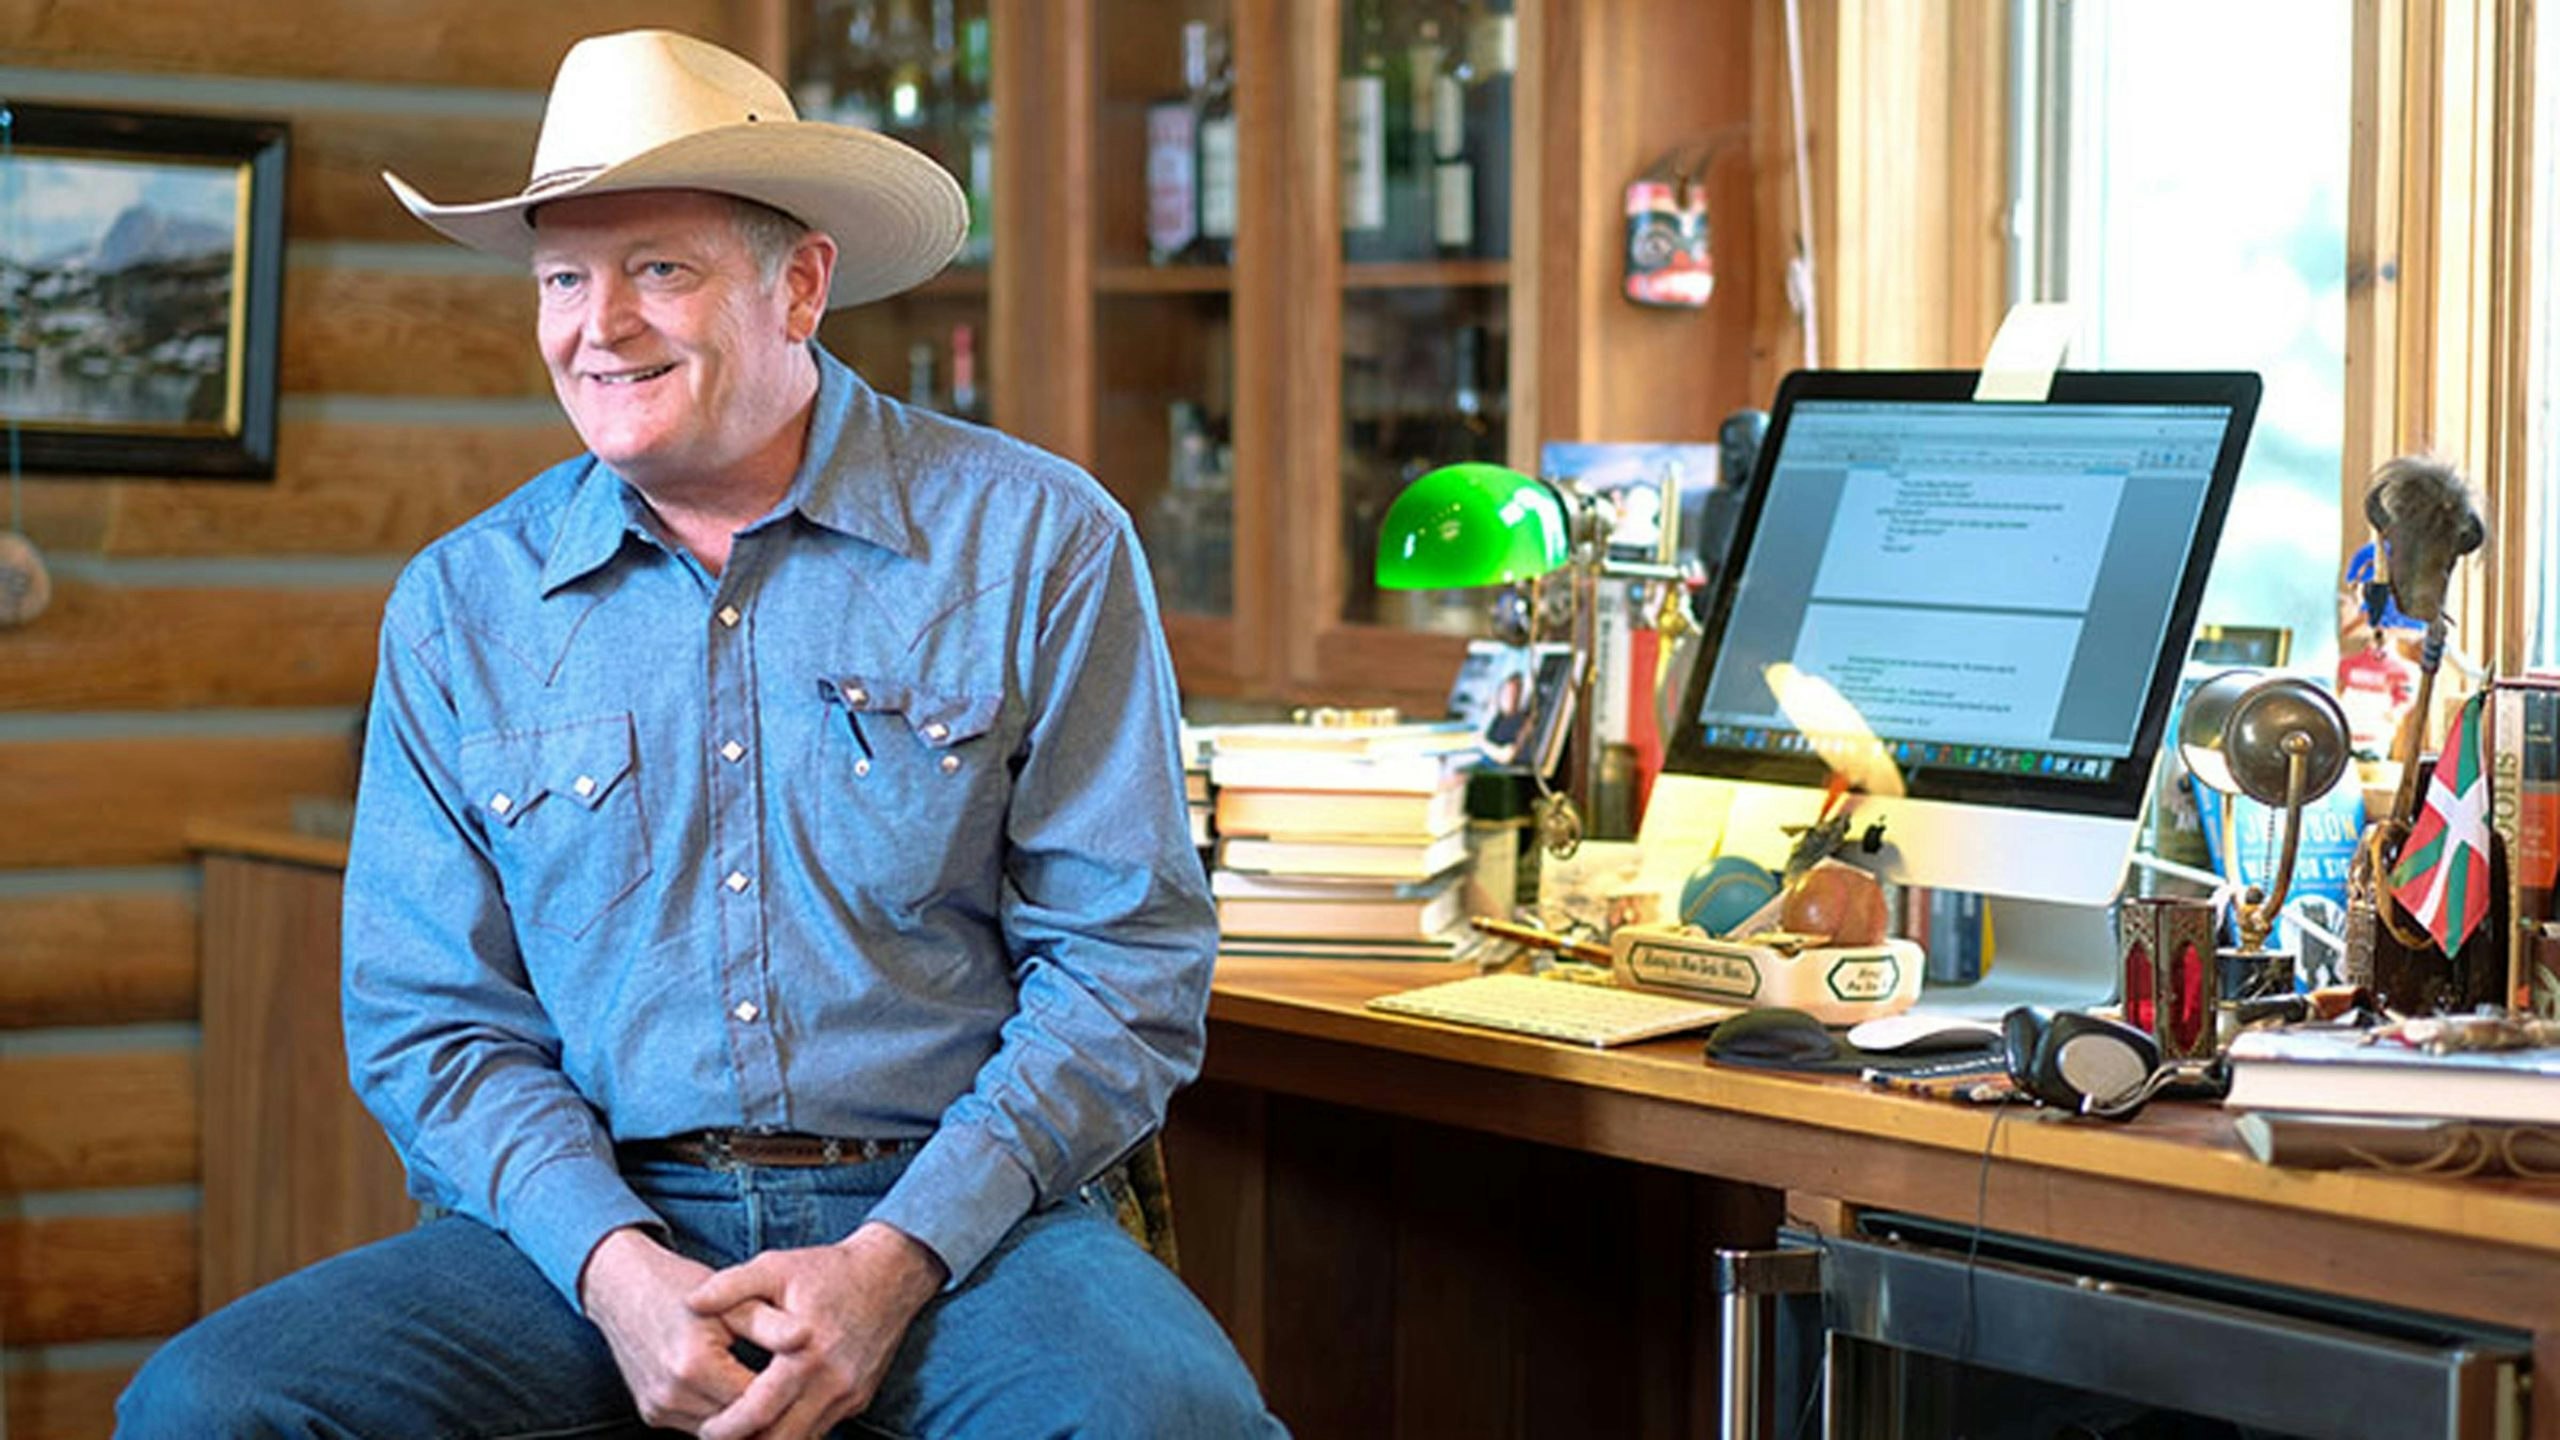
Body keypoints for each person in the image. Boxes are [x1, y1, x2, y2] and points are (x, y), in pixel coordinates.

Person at [119, 28, 1280, 1440]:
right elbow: (434, 1026)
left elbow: (1123, 967)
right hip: (589, 1228)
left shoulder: (1039, 543)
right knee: (208, 1408)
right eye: (563, 277)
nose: (596, 326)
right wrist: (618, 1275)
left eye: (658, 267)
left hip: (967, 1222)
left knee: (1168, 1421)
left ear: (800, 284)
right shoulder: (461, 605)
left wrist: (892, 1263)